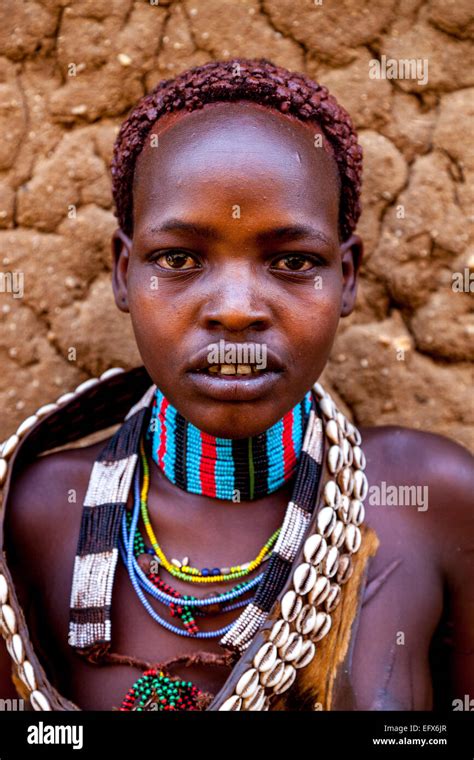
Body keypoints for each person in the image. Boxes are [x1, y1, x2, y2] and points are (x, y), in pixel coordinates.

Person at [0, 58, 472, 712]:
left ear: (348, 277)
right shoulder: (37, 516)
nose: (236, 308)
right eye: (180, 259)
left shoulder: (429, 501)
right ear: (122, 273)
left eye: (292, 262)